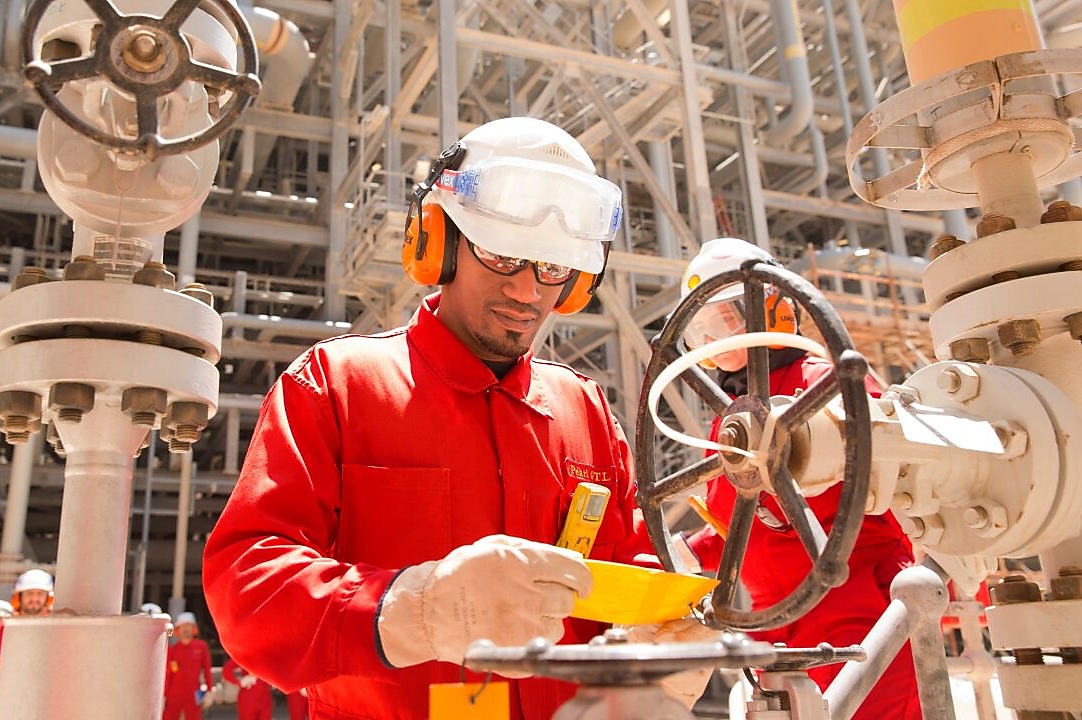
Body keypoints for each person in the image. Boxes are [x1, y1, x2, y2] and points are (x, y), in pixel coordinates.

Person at [203, 117, 712, 719]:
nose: (527, 292)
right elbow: (248, 585)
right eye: (502, 256)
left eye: (552, 270)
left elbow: (631, 567)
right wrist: (409, 610)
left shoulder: (586, 412)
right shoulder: (337, 385)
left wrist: (661, 643)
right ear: (439, 241)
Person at [671, 237, 920, 719]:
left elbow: (893, 465)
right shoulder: (732, 417)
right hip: (774, 635)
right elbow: (743, 522)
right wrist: (687, 550)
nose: (714, 342)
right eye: (701, 331)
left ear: (773, 309)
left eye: (726, 320)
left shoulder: (820, 385)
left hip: (862, 621)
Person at [0, 569, 54, 718]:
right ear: (18, 597)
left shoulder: (57, 631)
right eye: (29, 594)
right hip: (5, 711)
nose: (34, 599)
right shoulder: (1, 632)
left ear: (48, 598)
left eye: (40, 594)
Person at [163, 612, 216, 720]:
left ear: (193, 628)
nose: (185, 629)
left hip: (193, 694)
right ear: (178, 629)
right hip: (174, 695)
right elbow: (168, 674)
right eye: (182, 626)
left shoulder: (201, 647)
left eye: (188, 625)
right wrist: (164, 695)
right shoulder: (172, 650)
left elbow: (207, 669)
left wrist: (210, 690)